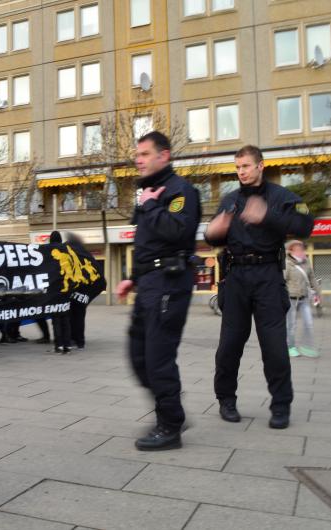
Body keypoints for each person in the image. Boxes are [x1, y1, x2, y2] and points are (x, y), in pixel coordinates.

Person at [205, 145, 314, 430]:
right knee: (229, 346)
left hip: (267, 276)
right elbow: (213, 235)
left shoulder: (281, 197)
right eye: (237, 166)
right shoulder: (229, 200)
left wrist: (267, 216)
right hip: (236, 277)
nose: (240, 171)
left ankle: (281, 406)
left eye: (246, 166)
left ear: (260, 166)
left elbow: (305, 225)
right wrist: (213, 232)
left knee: (275, 348)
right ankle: (225, 400)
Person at [115, 131, 200, 451]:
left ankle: (170, 426)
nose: (138, 159)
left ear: (164, 156)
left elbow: (178, 232)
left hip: (170, 282)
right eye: (138, 154)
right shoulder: (149, 192)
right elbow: (147, 243)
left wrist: (151, 206)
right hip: (149, 283)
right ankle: (170, 409)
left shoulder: (181, 191)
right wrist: (132, 277)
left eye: (146, 154)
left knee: (158, 357)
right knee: (138, 355)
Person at [285, 240, 320, 358]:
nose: (301, 251)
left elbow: (312, 278)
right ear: (291, 250)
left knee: (309, 323)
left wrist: (318, 292)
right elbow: (282, 282)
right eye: (298, 249)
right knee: (291, 325)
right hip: (291, 299)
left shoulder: (306, 262)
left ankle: (306, 346)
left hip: (304, 298)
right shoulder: (287, 264)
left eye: (302, 248)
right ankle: (290, 347)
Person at [48, 231, 72, 354]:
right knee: (65, 319)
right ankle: (67, 344)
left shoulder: (48, 251)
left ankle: (59, 345)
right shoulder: (67, 250)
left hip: (54, 291)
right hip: (66, 290)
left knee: (56, 319)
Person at [66, 232, 87, 350]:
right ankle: (80, 341)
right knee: (80, 317)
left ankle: (72, 338)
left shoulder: (67, 250)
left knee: (70, 316)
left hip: (71, 290)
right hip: (82, 290)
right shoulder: (83, 252)